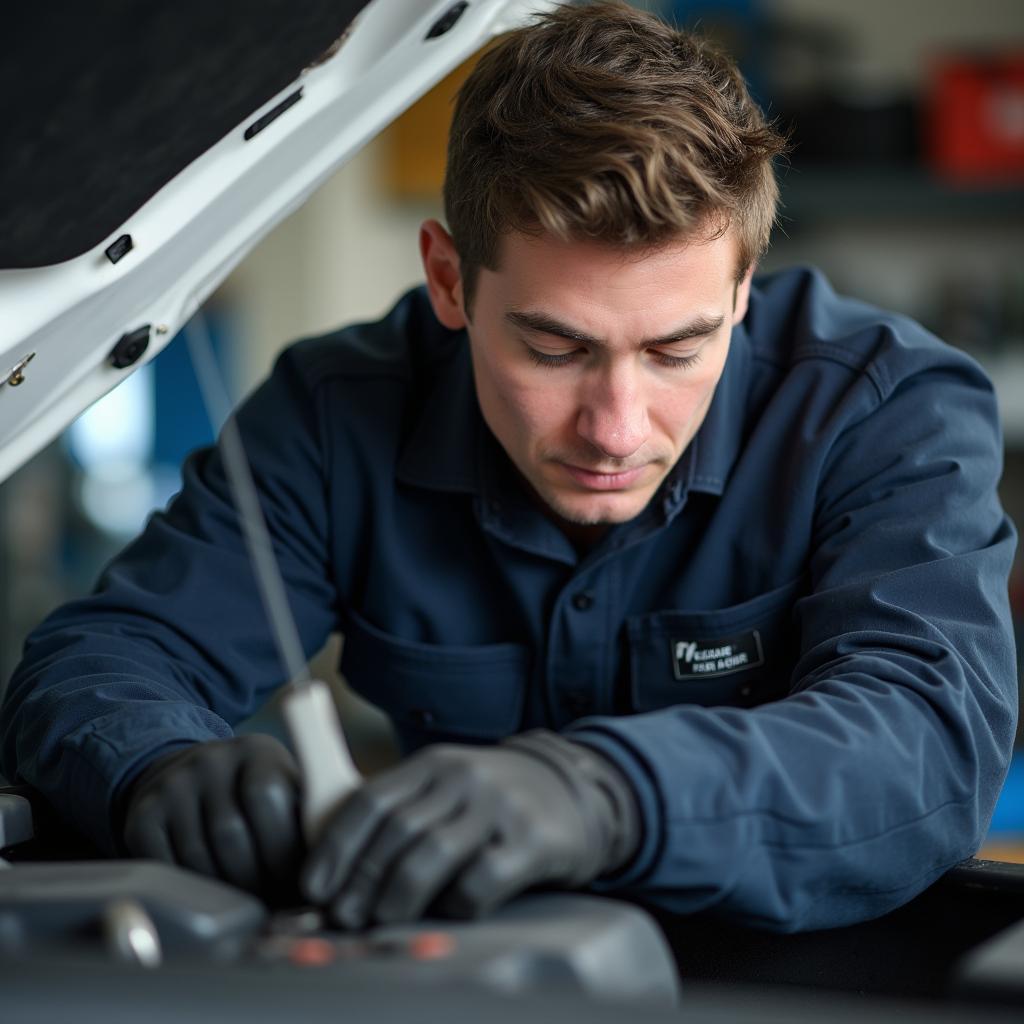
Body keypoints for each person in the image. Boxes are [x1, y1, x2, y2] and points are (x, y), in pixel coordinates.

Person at [1, 1, 1017, 934]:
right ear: (449, 278)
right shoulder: (333, 417)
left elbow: (923, 741)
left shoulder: (885, 411)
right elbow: (101, 661)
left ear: (741, 286)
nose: (616, 427)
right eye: (555, 349)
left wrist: (605, 792)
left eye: (675, 350)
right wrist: (153, 765)